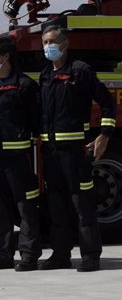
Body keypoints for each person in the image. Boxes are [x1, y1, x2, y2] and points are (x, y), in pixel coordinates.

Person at [39, 25, 116, 272]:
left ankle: (91, 256)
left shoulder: (80, 71)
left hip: (75, 152)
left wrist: (104, 136)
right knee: (57, 206)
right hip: (51, 153)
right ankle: (60, 255)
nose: (47, 46)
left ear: (65, 44)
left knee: (82, 204)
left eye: (51, 41)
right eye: (44, 42)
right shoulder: (45, 75)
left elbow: (107, 103)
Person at [0, 37, 42, 271]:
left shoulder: (24, 85)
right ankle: (3, 254)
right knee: (0, 208)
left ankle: (28, 255)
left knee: (25, 206)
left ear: (5, 56)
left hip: (19, 158)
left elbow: (36, 120)